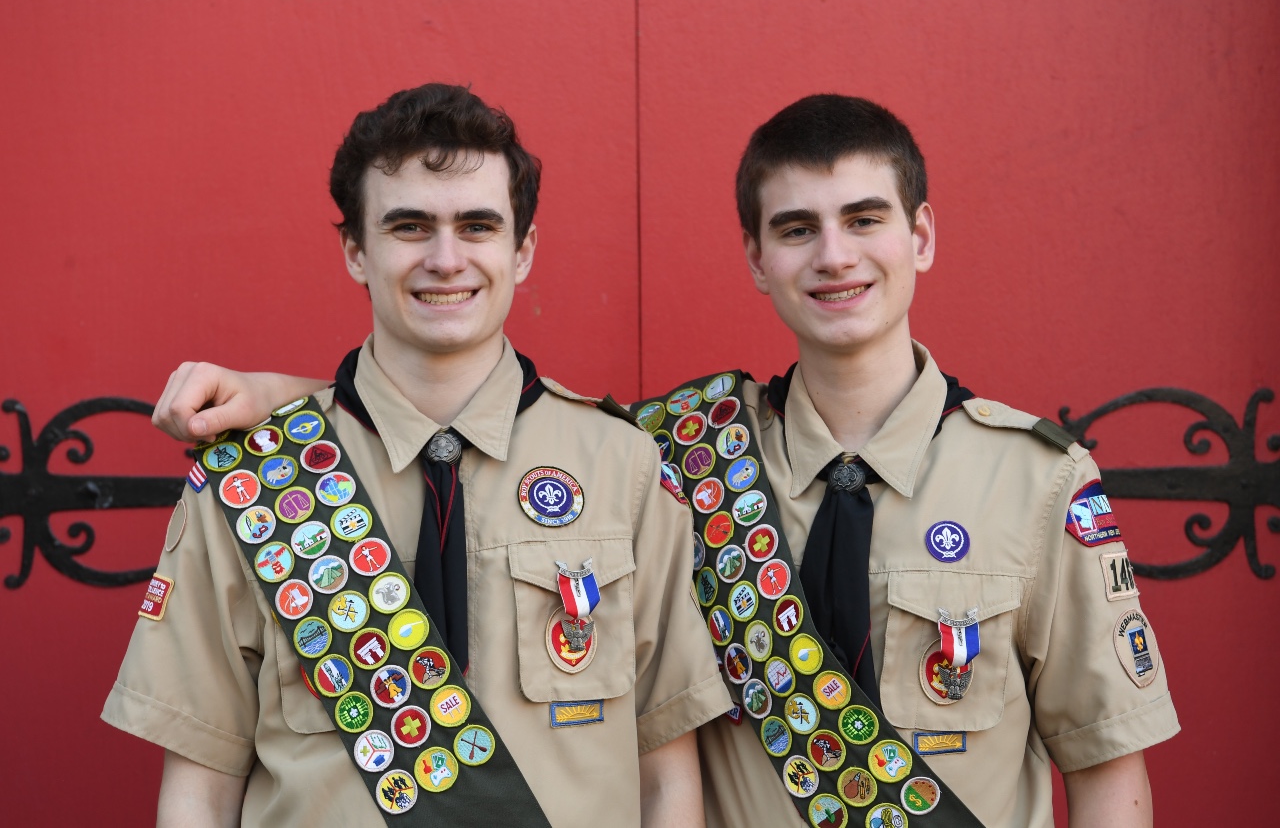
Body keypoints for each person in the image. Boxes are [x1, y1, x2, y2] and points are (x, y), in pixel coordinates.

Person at [150, 94, 1178, 827]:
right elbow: (440, 415)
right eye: (796, 228)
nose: (833, 255)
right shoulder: (676, 457)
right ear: (755, 256)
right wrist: (287, 407)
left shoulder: (1034, 478)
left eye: (863, 220)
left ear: (920, 237)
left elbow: (1106, 765)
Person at [105, 83, 730, 828]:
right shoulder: (255, 482)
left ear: (522, 251)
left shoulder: (621, 467)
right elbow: (199, 793)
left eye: (477, 226)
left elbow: (666, 778)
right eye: (409, 226)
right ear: (355, 251)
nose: (445, 258)